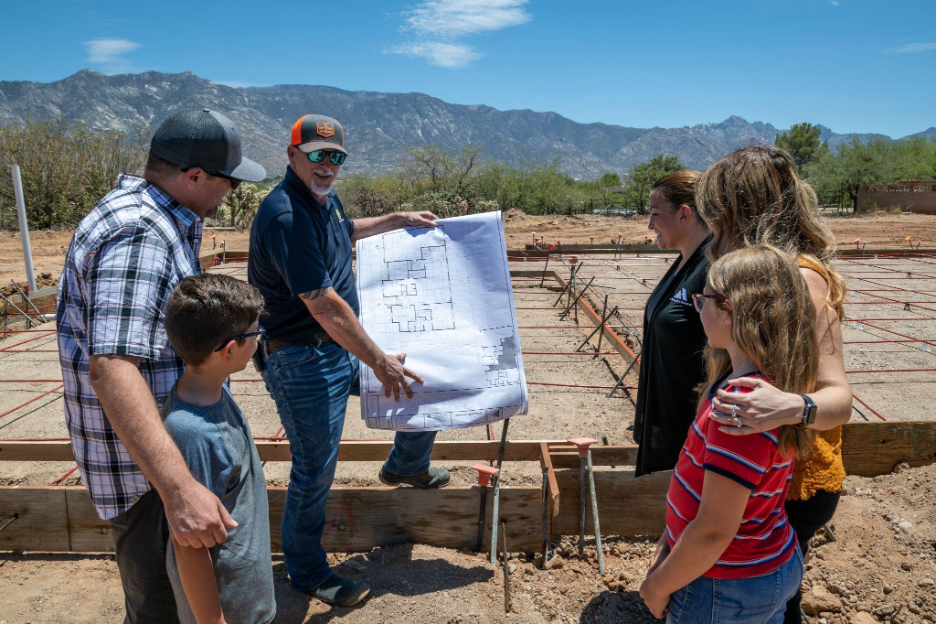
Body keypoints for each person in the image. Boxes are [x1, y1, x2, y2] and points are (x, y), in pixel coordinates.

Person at [56, 108, 266, 622]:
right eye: (228, 183)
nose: (230, 194)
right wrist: (177, 489)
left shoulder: (149, 217)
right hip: (148, 473)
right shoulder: (140, 233)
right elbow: (112, 365)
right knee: (163, 609)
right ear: (194, 176)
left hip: (153, 462)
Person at [248, 114, 450, 607]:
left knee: (422, 385)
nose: (328, 165)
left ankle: (406, 465)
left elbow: (346, 230)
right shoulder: (285, 215)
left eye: (336, 157)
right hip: (301, 359)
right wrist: (379, 360)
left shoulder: (323, 199)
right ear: (292, 154)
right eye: (318, 155)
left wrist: (398, 219)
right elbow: (322, 304)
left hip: (334, 347)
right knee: (315, 467)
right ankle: (308, 570)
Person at [695, 145, 851, 623]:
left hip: (791, 482)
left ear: (740, 211)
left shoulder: (802, 279)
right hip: (759, 474)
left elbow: (838, 398)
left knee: (768, 604)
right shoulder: (754, 273)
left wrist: (791, 407)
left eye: (717, 214)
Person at [640, 245, 816, 622]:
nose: (697, 307)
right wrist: (669, 542)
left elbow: (714, 530)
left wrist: (655, 586)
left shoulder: (741, 406)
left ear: (731, 311)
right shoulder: (767, 385)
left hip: (722, 581)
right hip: (765, 561)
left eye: (702, 298)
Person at [162, 274, 274, 624]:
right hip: (232, 608)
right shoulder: (195, 432)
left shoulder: (208, 388)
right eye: (256, 335)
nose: (259, 340)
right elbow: (189, 545)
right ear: (229, 351)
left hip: (245, 591)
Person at [634, 171, 712, 476]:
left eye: (655, 214)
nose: (650, 224)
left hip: (693, 432)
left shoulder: (712, 268)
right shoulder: (683, 262)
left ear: (684, 213)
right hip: (668, 424)